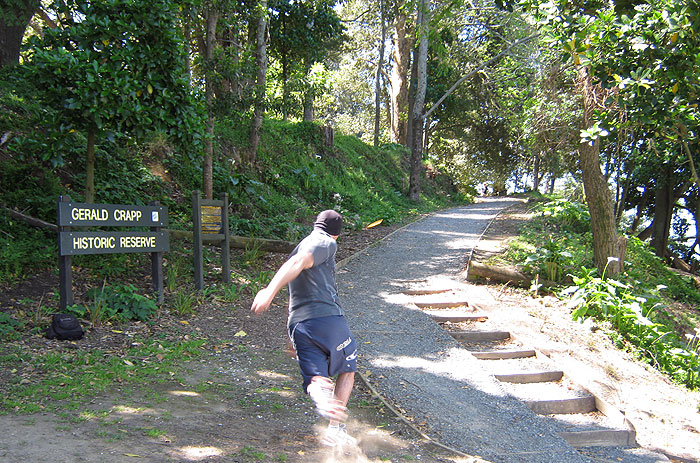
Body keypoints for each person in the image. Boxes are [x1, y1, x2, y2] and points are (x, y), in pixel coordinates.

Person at [251, 209, 358, 448]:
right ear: (337, 234)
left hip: (300, 326)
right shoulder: (326, 243)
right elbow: (300, 262)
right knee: (348, 367)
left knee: (316, 379)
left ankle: (322, 397)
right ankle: (335, 428)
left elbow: (295, 280)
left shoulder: (302, 243)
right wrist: (269, 291)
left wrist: (292, 334)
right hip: (328, 319)